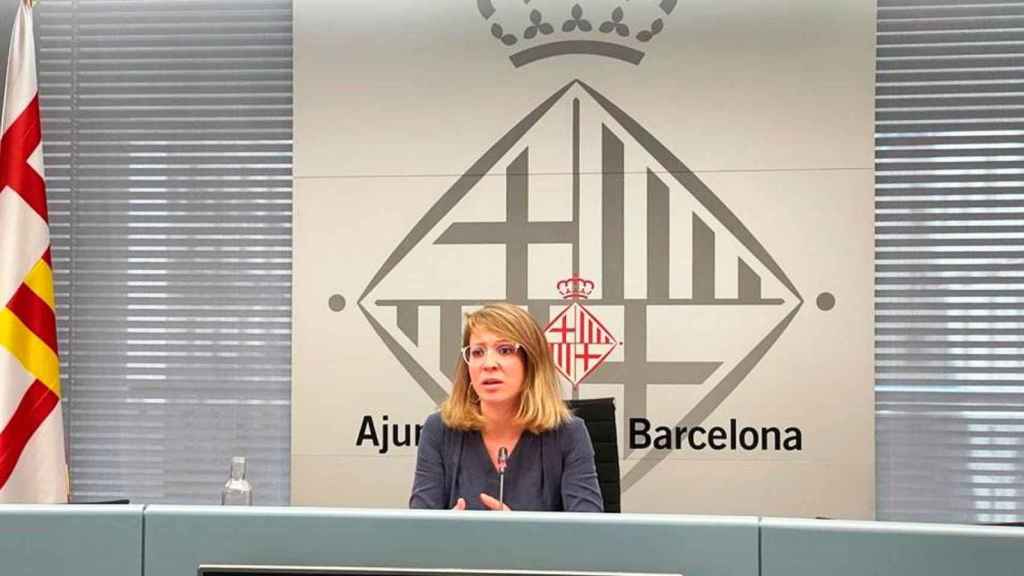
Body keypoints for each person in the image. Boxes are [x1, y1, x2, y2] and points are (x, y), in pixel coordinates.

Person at [409, 303, 603, 512]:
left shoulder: (568, 433)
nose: (489, 363)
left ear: (531, 361)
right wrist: (443, 531)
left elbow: (588, 535)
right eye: (477, 352)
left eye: (505, 350)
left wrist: (516, 534)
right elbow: (418, 530)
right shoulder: (439, 429)